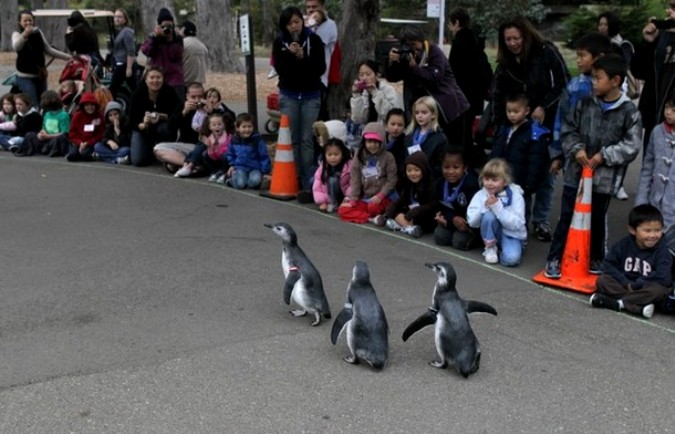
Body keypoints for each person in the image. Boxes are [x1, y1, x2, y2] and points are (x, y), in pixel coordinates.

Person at [544, 54, 642, 279]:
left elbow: (632, 144)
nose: (594, 83)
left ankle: (596, 258)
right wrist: (576, 149)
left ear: (615, 81)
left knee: (597, 218)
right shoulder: (584, 103)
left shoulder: (629, 111)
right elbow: (569, 128)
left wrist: (604, 155)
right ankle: (555, 259)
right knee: (567, 216)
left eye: (598, 78)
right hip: (575, 175)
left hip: (604, 179)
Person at [492, 16, 570, 243]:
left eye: (516, 38)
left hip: (546, 124)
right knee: (517, 173)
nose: (513, 43)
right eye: (508, 39)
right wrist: (501, 126)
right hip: (517, 124)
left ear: (526, 36)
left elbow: (562, 83)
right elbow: (498, 95)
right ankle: (517, 219)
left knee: (545, 173)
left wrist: (543, 106)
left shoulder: (545, 52)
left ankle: (541, 221)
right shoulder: (506, 64)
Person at [385, 26, 469, 149]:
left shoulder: (434, 52)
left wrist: (415, 67)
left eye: (414, 44)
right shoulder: (406, 56)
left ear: (422, 40)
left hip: (447, 109)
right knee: (421, 145)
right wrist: (391, 62)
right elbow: (392, 78)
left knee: (451, 147)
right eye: (408, 45)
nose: (413, 49)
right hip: (420, 110)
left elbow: (434, 78)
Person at [272, 6, 326, 197]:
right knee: (291, 139)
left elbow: (320, 69)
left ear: (302, 21)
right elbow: (280, 69)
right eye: (289, 23)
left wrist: (304, 57)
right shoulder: (280, 42)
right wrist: (289, 55)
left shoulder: (314, 40)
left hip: (311, 95)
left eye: (296, 22)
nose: (294, 26)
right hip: (289, 95)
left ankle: (308, 181)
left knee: (307, 140)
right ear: (284, 26)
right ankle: (291, 178)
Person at [589, 205, 672, 319]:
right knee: (603, 280)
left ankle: (619, 304)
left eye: (657, 230)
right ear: (632, 230)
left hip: (645, 286)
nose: (653, 235)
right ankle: (637, 306)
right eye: (647, 231)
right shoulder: (623, 245)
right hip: (625, 284)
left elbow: (664, 277)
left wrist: (638, 284)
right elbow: (608, 265)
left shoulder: (662, 251)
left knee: (658, 290)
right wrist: (625, 282)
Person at [552, 32, 613, 174]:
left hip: (602, 165)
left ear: (600, 57)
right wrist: (557, 153)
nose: (578, 60)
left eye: (582, 56)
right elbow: (561, 120)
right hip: (574, 158)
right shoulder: (574, 87)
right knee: (572, 194)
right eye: (577, 56)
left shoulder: (613, 89)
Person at [490, 93, 550, 233]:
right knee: (500, 206)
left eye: (516, 111)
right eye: (509, 111)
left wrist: (530, 184)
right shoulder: (504, 129)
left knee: (521, 209)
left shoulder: (534, 133)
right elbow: (496, 150)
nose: (511, 115)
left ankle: (520, 235)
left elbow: (536, 160)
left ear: (527, 111)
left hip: (521, 181)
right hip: (501, 178)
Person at [447, 7, 493, 167]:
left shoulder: (459, 43)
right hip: (475, 95)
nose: (449, 27)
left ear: (456, 23)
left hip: (461, 95)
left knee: (461, 132)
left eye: (450, 23)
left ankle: (461, 161)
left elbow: (453, 71)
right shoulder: (476, 43)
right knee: (468, 130)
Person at [467, 158, 527, 266]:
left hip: (511, 234)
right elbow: (472, 222)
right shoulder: (481, 195)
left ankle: (507, 249)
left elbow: (517, 224)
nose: (489, 183)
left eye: (494, 180)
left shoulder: (516, 197)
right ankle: (490, 247)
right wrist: (485, 208)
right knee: (488, 215)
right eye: (486, 179)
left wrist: (498, 208)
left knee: (511, 260)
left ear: (505, 181)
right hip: (494, 232)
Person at [631, 9, 675, 156]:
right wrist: (648, 43)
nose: (669, 11)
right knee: (651, 169)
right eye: (670, 6)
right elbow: (638, 71)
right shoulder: (661, 37)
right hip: (656, 121)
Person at [338, 122, 397, 224]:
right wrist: (353, 199)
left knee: (373, 208)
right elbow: (355, 179)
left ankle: (372, 215)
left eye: (376, 142)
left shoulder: (388, 157)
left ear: (382, 141)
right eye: (369, 141)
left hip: (382, 197)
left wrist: (381, 195)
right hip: (365, 197)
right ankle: (372, 219)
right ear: (364, 141)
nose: (372, 145)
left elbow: (392, 179)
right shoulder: (359, 155)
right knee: (343, 209)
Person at [12, 10, 71, 109]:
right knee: (33, 103)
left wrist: (68, 57)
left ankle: (44, 122)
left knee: (44, 103)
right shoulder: (17, 34)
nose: (28, 23)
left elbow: (48, 49)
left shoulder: (37, 32)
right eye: (25, 20)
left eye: (30, 20)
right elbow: (16, 47)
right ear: (20, 22)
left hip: (40, 74)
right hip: (25, 76)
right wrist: (24, 35)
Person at [635, 89, 675, 229]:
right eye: (667, 106)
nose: (668, 112)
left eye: (674, 109)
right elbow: (647, 169)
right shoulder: (657, 131)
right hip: (654, 207)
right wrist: (641, 203)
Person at [127, 67, 182, 167]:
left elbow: (177, 114)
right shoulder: (138, 95)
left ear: (163, 79)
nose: (155, 80)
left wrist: (161, 116)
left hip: (162, 128)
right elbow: (131, 120)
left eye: (158, 77)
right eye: (152, 77)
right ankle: (149, 150)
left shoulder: (170, 92)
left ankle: (165, 151)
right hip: (142, 129)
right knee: (138, 161)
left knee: (165, 128)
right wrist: (143, 124)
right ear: (146, 79)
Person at [434, 147, 481, 250]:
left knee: (459, 242)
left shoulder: (471, 184)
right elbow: (439, 205)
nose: (450, 171)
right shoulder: (440, 183)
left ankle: (477, 237)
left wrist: (464, 224)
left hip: (467, 223)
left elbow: (476, 212)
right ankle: (452, 230)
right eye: (446, 167)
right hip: (451, 219)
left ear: (464, 168)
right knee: (439, 237)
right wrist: (448, 218)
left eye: (456, 167)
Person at [154, 82, 205, 173]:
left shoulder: (208, 105)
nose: (197, 100)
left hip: (203, 146)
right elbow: (170, 128)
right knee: (158, 149)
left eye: (200, 97)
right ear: (187, 96)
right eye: (193, 97)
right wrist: (183, 112)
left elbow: (230, 117)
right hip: (186, 146)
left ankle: (185, 165)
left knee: (170, 164)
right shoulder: (182, 106)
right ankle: (190, 165)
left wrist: (212, 111)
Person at [382, 151, 436, 238]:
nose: (413, 173)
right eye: (409, 170)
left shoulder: (430, 185)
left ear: (424, 169)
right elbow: (403, 199)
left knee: (419, 218)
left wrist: (417, 210)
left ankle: (403, 226)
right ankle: (409, 228)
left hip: (425, 215)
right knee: (396, 211)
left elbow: (432, 206)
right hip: (410, 214)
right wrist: (392, 207)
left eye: (416, 170)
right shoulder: (409, 184)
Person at [140, 8, 185, 100]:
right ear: (159, 26)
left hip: (174, 79)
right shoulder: (154, 37)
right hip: (157, 79)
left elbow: (175, 56)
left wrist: (172, 40)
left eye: (169, 26)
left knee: (178, 105)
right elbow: (147, 51)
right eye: (164, 26)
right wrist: (155, 38)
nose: (167, 29)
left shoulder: (177, 39)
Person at [176, 112, 233, 182]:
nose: (217, 126)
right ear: (210, 127)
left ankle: (224, 173)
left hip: (224, 159)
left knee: (226, 155)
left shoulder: (228, 136)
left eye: (220, 124)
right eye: (214, 125)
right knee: (205, 154)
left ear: (224, 125)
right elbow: (201, 136)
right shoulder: (210, 136)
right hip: (214, 157)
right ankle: (215, 172)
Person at [305, 0, 339, 120]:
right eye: (308, 7)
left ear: (322, 7)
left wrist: (308, 25)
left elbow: (314, 46)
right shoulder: (304, 22)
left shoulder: (329, 25)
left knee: (316, 116)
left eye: (314, 7)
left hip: (319, 78)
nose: (310, 10)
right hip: (302, 77)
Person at [403, 96, 450, 181]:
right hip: (410, 178)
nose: (420, 116)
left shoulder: (440, 138)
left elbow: (440, 164)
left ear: (433, 114)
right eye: (417, 113)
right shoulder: (409, 135)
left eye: (424, 113)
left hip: (429, 180)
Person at [15, 90, 70, 157]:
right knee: (29, 135)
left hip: (54, 138)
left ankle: (49, 150)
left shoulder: (63, 115)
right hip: (46, 139)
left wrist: (48, 136)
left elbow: (64, 133)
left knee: (60, 138)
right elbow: (44, 128)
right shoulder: (47, 114)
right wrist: (41, 134)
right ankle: (31, 150)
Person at [225, 113, 271, 190]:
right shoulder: (234, 139)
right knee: (240, 185)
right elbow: (230, 153)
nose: (247, 129)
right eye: (244, 127)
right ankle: (230, 180)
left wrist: (265, 172)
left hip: (255, 168)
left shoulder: (257, 140)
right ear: (238, 128)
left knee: (254, 181)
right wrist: (232, 165)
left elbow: (264, 156)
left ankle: (247, 181)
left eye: (249, 126)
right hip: (240, 167)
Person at [349, 59, 401, 127]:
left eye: (368, 74)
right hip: (368, 131)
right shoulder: (365, 92)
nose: (364, 78)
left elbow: (389, 115)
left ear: (377, 75)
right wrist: (356, 95)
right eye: (361, 75)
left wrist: (375, 93)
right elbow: (358, 119)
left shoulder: (387, 89)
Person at [312, 137, 352, 213]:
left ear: (342, 154)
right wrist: (322, 201)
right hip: (330, 195)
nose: (333, 157)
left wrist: (348, 198)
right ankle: (332, 203)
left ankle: (336, 203)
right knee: (313, 180)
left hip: (345, 195)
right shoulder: (323, 166)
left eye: (336, 154)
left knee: (333, 180)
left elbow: (353, 183)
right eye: (329, 154)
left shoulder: (349, 165)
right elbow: (317, 187)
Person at [65, 92, 105, 162]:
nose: (90, 107)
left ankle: (92, 155)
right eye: (87, 105)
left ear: (95, 105)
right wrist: (80, 143)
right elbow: (72, 133)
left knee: (85, 156)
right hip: (79, 142)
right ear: (83, 106)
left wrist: (88, 142)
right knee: (72, 156)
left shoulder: (100, 116)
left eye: (92, 105)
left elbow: (100, 134)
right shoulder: (77, 116)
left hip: (92, 143)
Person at [109, 8, 138, 98]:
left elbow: (131, 51)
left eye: (120, 17)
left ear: (125, 19)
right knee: (134, 88)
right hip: (120, 64)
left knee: (112, 88)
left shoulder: (127, 32)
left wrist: (128, 68)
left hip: (124, 65)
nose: (117, 19)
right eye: (115, 17)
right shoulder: (120, 31)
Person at [64, 10, 104, 75]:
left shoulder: (78, 29)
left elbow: (71, 47)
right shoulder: (90, 28)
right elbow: (96, 49)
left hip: (84, 61)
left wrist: (67, 35)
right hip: (95, 59)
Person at [179, 21, 208, 86]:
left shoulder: (182, 44)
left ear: (183, 30)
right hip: (199, 83)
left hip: (185, 83)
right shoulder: (202, 46)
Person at [384, 108, 407, 178]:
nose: (396, 128)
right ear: (386, 125)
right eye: (393, 124)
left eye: (400, 125)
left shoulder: (406, 143)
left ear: (404, 127)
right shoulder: (380, 141)